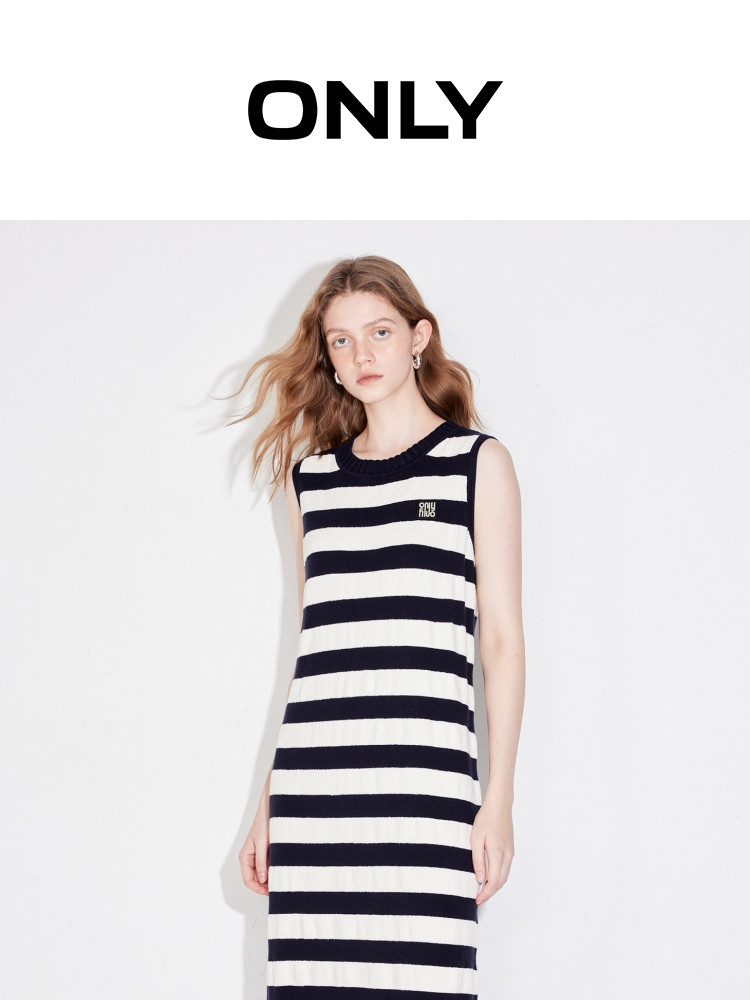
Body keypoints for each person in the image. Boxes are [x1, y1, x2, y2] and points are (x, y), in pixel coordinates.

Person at [232, 255, 525, 998]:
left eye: (380, 332)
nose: (361, 354)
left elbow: (500, 641)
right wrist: (268, 804)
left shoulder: (475, 463)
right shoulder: (312, 483)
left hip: (424, 789)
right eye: (341, 340)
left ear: (419, 337)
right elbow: (315, 652)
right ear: (327, 356)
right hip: (316, 795)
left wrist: (497, 800)